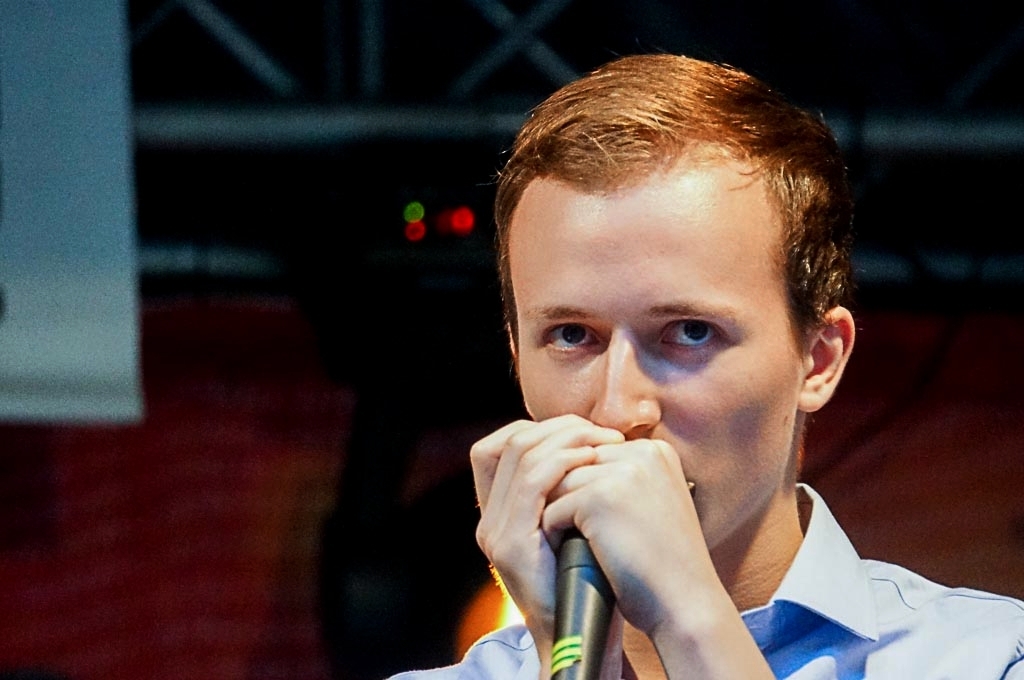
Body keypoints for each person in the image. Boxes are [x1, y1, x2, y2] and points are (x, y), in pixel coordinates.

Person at [391, 53, 1024, 679]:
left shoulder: (988, 659)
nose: (617, 410)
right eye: (572, 335)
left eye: (689, 333)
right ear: (515, 351)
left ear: (818, 360)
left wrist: (691, 620)